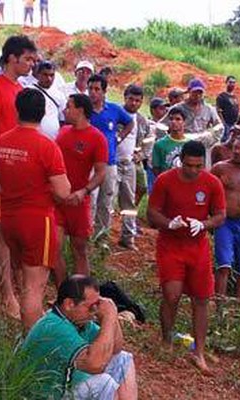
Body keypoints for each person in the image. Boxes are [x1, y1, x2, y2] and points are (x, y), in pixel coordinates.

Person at [0, 89, 71, 329]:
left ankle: (29, 328)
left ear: (17, 110)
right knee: (34, 287)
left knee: (24, 278)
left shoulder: (0, 142)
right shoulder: (47, 146)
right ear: (44, 113)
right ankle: (32, 347)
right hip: (37, 220)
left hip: (9, 218)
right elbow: (63, 191)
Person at [147, 140, 226, 375]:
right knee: (171, 294)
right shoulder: (165, 180)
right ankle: (167, 340)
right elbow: (152, 213)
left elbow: (221, 215)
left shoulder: (212, 183)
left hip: (198, 247)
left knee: (201, 299)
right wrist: (168, 223)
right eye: (189, 165)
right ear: (181, 160)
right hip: (170, 245)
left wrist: (203, 224)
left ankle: (198, 352)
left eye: (198, 166)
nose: (193, 170)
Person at [0, 34, 37, 319]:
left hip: (21, 173)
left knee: (16, 230)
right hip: (3, 171)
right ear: (12, 58)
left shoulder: (19, 88)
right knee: (2, 232)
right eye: (28, 59)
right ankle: (7, 294)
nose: (32, 64)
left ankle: (20, 287)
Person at [20, 275, 138, 400]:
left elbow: (116, 348)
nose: (94, 311)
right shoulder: (55, 327)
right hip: (44, 396)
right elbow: (95, 365)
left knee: (122, 360)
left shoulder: (79, 320)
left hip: (66, 385)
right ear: (69, 304)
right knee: (103, 385)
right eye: (91, 306)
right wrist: (108, 318)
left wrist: (112, 315)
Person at [55, 94, 108, 280]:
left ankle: (81, 296)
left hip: (79, 201)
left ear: (80, 110)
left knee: (79, 249)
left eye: (68, 106)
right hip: (57, 200)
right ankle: (63, 292)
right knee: (54, 248)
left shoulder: (97, 138)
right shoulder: (62, 133)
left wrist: (84, 191)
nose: (65, 110)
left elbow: (101, 172)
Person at [211, 135, 240, 298]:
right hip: (224, 221)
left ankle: (239, 303)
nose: (236, 152)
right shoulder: (220, 168)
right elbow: (208, 190)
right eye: (235, 148)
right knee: (223, 263)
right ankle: (220, 305)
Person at [87, 73, 133, 236]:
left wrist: (119, 137)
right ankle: (86, 234)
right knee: (90, 199)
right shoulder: (84, 110)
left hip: (109, 161)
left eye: (97, 89)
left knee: (106, 200)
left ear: (104, 92)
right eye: (90, 88)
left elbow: (129, 122)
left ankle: (101, 236)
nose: (93, 92)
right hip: (88, 163)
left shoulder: (114, 109)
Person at [116, 84, 148, 250]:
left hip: (129, 164)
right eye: (131, 99)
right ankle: (101, 237)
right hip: (112, 163)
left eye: (138, 101)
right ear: (125, 98)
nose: (134, 103)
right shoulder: (115, 114)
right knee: (105, 200)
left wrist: (140, 155)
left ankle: (128, 238)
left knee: (129, 202)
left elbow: (148, 142)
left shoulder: (142, 121)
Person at [30, 60, 66, 139]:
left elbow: (62, 119)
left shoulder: (59, 95)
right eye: (45, 75)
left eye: (52, 75)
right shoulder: (29, 92)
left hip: (53, 139)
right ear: (38, 74)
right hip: (33, 138)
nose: (49, 79)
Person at [216, 75, 239, 142]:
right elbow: (218, 111)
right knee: (224, 141)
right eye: (230, 82)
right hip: (226, 123)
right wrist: (223, 123)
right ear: (226, 83)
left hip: (233, 124)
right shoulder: (222, 96)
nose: (232, 84)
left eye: (234, 83)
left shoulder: (235, 97)